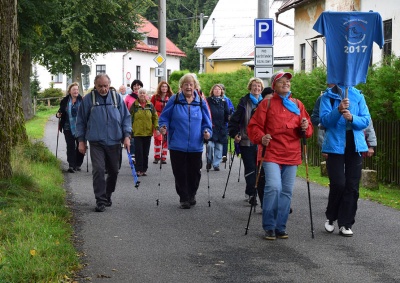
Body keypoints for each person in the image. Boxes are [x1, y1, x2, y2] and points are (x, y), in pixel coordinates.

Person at [247, 71, 313, 240]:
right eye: (282, 81)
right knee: (274, 187)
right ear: (274, 85)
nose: (286, 83)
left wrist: (305, 127)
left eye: (288, 81)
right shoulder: (266, 104)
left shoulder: (297, 105)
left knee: (286, 191)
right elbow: (254, 126)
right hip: (271, 152)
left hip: (291, 153)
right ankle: (269, 226)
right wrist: (261, 137)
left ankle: (280, 227)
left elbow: (308, 130)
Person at [319, 84, 371, 237]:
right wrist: (338, 110)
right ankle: (331, 217)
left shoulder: (358, 95)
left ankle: (346, 223)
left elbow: (366, 120)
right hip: (335, 144)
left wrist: (352, 118)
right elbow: (324, 122)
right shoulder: (327, 96)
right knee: (338, 183)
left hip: (355, 144)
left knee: (352, 185)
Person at [76, 74, 131, 212]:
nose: (103, 89)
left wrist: (127, 136)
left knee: (114, 171)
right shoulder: (89, 99)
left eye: (106, 85)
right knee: (99, 170)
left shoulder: (116, 98)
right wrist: (81, 141)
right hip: (96, 142)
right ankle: (100, 200)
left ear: (109, 84)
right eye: (100, 86)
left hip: (114, 141)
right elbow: (81, 121)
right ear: (95, 85)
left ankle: (108, 194)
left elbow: (126, 118)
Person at [159, 73, 212, 209]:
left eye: (191, 84)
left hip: (195, 144)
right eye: (186, 84)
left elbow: (207, 122)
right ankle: (184, 197)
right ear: (181, 86)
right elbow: (164, 117)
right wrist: (163, 127)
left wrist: (207, 132)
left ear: (195, 86)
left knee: (195, 172)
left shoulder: (200, 101)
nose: (188, 87)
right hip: (177, 143)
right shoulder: (174, 100)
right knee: (180, 172)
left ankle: (192, 193)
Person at [228, 77, 264, 206]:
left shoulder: (265, 102)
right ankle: (251, 194)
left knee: (260, 169)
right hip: (246, 140)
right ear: (250, 87)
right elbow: (234, 120)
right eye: (254, 86)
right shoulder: (244, 102)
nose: (257, 88)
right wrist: (234, 134)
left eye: (259, 86)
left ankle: (259, 194)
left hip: (261, 142)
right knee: (250, 167)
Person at [56, 82, 85, 173]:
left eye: (77, 89)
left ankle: (78, 164)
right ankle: (71, 165)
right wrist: (58, 115)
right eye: (74, 90)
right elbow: (60, 111)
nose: (76, 91)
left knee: (81, 146)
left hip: (80, 127)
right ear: (69, 91)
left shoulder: (83, 100)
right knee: (70, 146)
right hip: (68, 127)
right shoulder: (65, 101)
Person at [130, 88, 159, 176]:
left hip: (147, 133)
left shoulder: (150, 105)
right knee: (138, 152)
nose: (142, 94)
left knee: (145, 152)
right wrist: (129, 131)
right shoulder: (134, 106)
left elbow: (155, 117)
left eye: (144, 93)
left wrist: (157, 127)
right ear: (138, 94)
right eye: (140, 93)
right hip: (137, 133)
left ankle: (144, 169)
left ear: (146, 95)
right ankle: (138, 169)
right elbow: (129, 118)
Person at [206, 84, 229, 171]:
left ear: (221, 91)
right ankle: (209, 160)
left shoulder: (224, 101)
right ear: (212, 91)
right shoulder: (208, 100)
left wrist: (228, 121)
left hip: (221, 127)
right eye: (215, 89)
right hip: (211, 126)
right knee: (210, 145)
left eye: (219, 89)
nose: (217, 91)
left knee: (219, 147)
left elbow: (227, 113)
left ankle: (216, 164)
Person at [150, 81, 173, 164]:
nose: (164, 88)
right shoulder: (155, 97)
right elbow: (151, 108)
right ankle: (156, 157)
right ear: (160, 88)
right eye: (162, 86)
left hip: (167, 119)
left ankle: (163, 157)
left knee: (165, 138)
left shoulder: (171, 97)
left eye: (166, 87)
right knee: (157, 138)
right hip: (157, 119)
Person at [125, 79, 143, 163]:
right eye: (135, 85)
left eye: (138, 85)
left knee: (140, 140)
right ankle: (132, 156)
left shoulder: (145, 96)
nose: (136, 87)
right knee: (132, 138)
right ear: (132, 87)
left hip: (142, 122)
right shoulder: (128, 97)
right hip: (131, 120)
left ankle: (139, 157)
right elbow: (124, 109)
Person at [219, 84, 235, 163]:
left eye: (221, 89)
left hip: (225, 123)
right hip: (215, 124)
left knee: (224, 140)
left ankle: (223, 155)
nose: (220, 91)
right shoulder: (212, 99)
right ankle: (217, 155)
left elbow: (232, 110)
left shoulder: (227, 100)